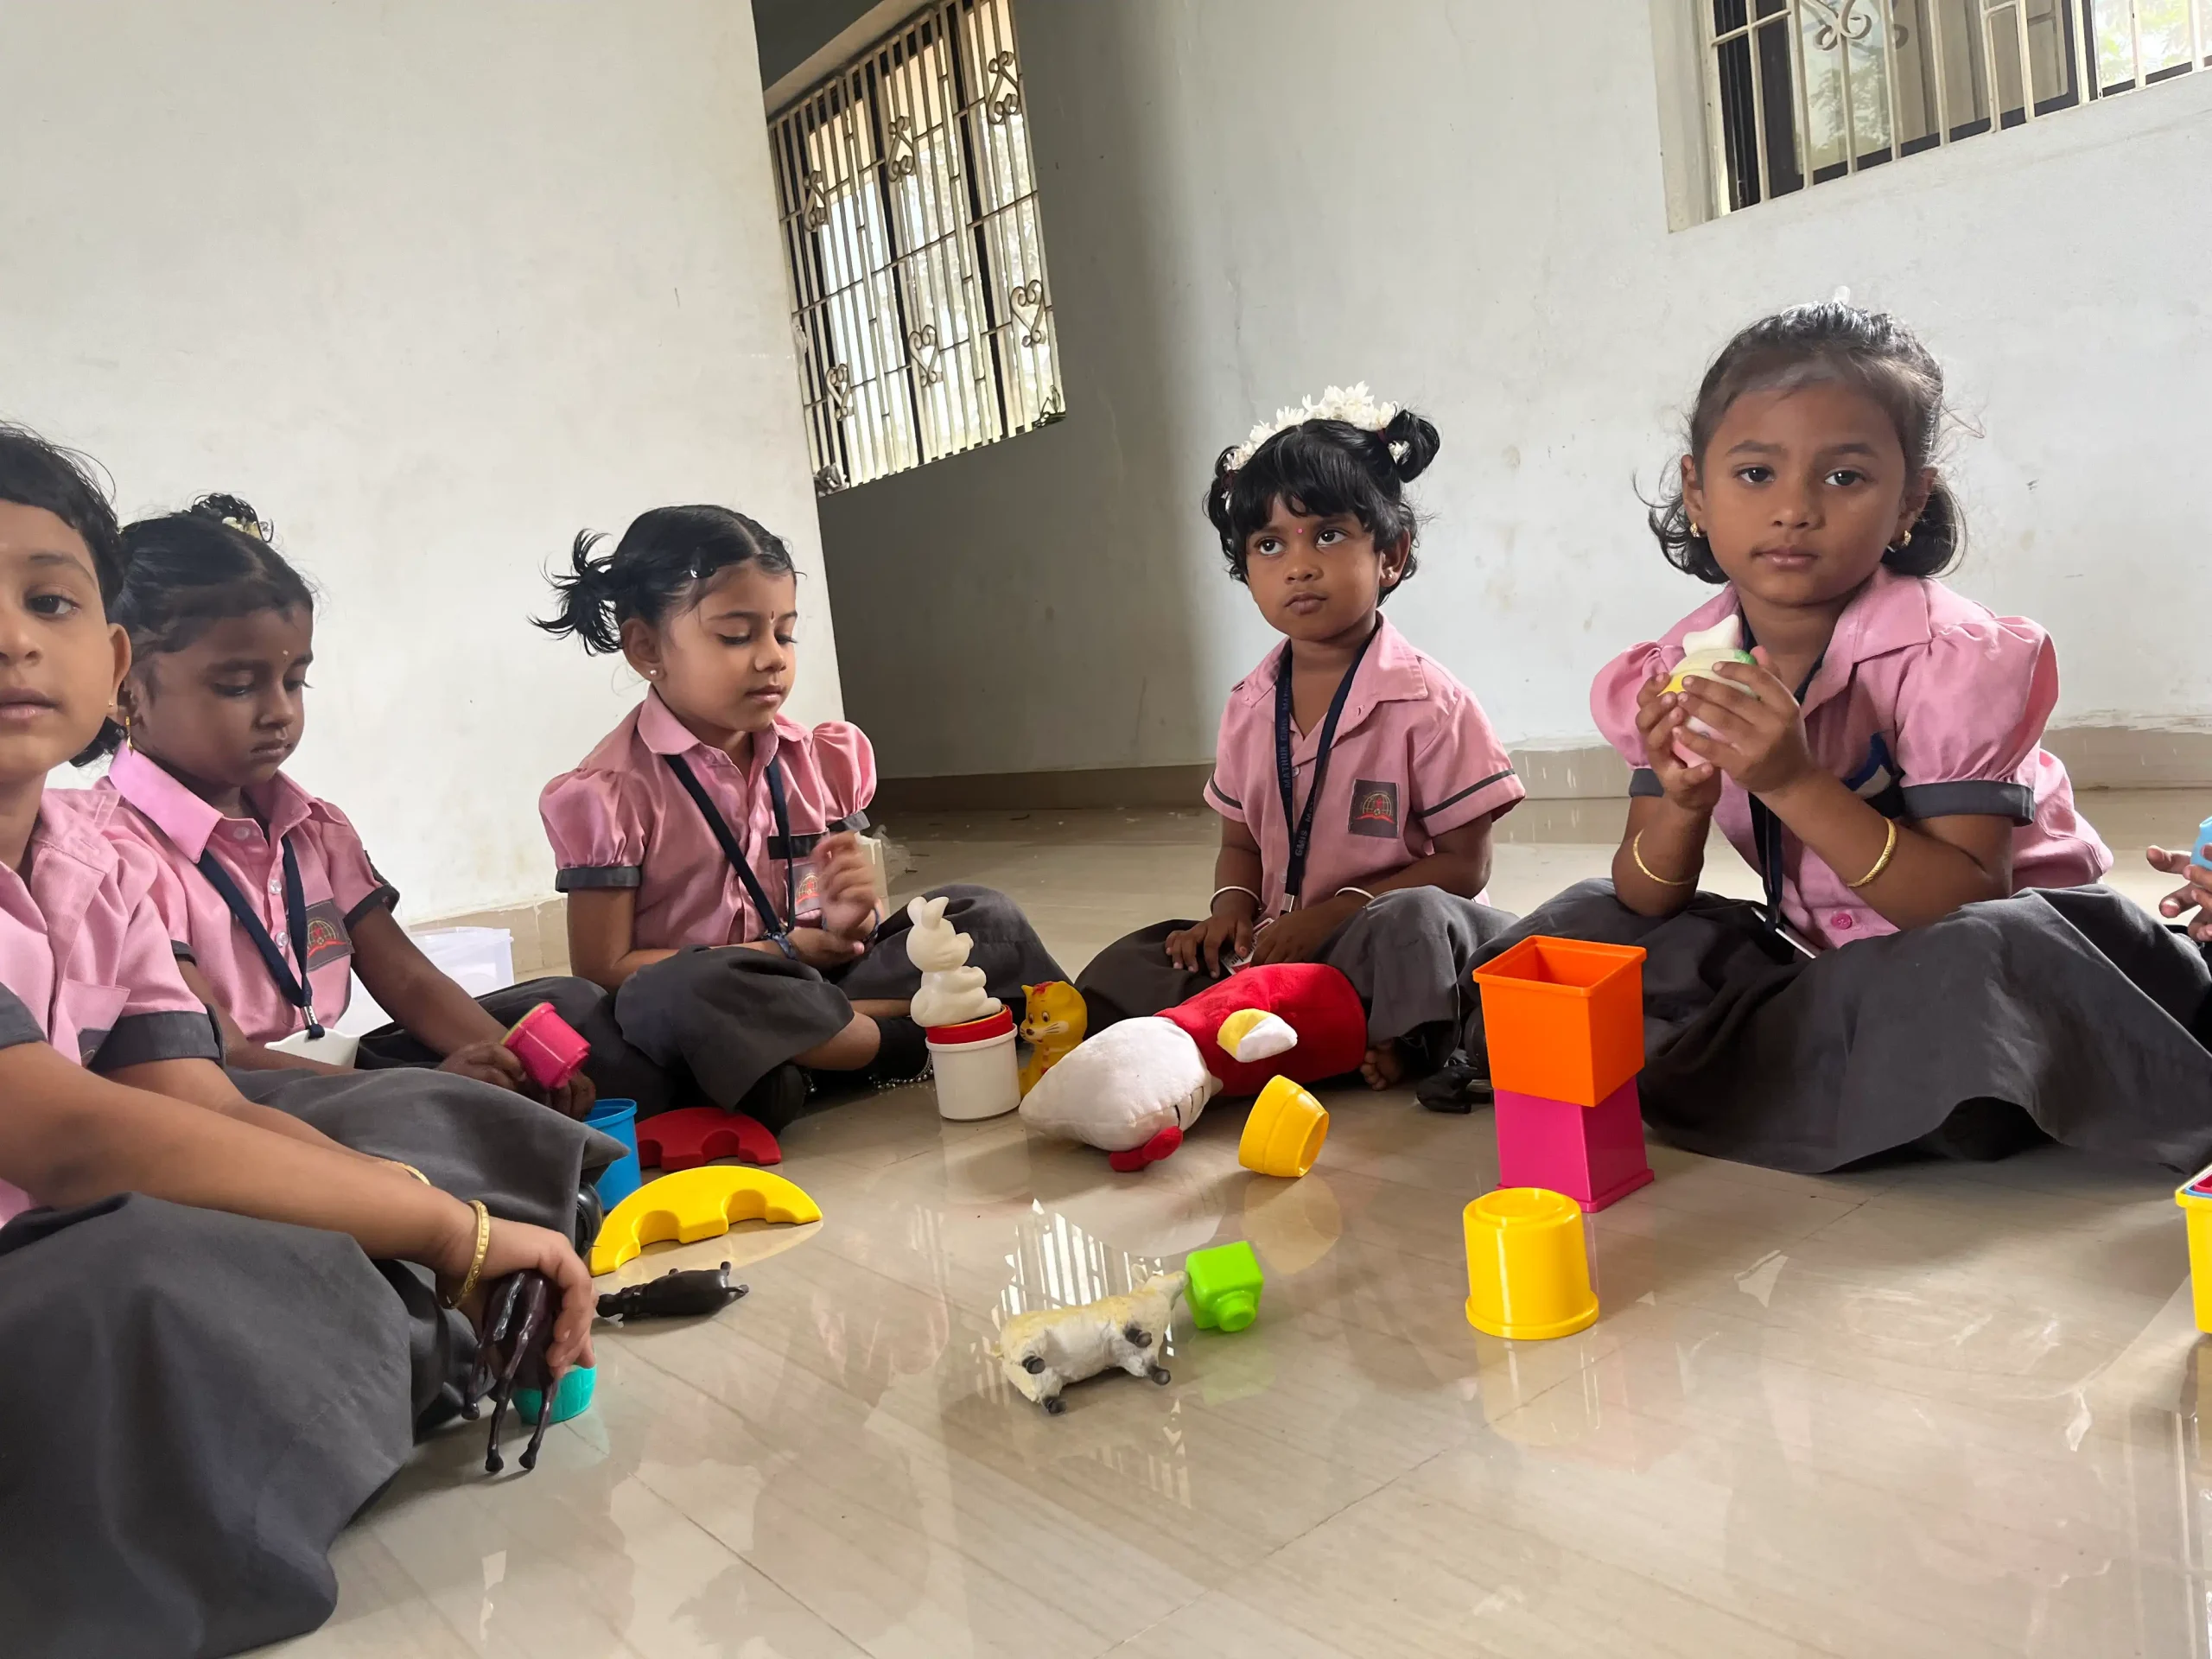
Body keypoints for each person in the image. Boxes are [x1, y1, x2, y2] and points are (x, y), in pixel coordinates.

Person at [0, 421, 603, 1654]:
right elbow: (66, 1137)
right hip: (61, 1265)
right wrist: (446, 1232)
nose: (10, 638)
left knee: (352, 1169)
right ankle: (371, 1363)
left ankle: (356, 1367)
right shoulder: (124, 844)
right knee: (150, 1278)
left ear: (108, 660)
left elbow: (200, 1103)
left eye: (47, 600)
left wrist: (408, 1206)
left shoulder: (82, 872)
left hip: (85, 1223)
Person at [1447, 302, 2212, 1172]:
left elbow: (1965, 901)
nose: (1794, 510)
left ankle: (1838, 1077)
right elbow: (1648, 893)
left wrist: (1792, 783)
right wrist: (1682, 806)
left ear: (1909, 501)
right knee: (1590, 922)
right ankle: (1863, 1079)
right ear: (1697, 492)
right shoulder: (1682, 665)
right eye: (1755, 474)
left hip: (2018, 954)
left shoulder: (1950, 657)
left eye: (1844, 477)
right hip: (1846, 963)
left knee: (1971, 967)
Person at [83, 495, 667, 1116]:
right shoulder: (113, 856)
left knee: (572, 1007)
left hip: (332, 1079)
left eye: (294, 681)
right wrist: (429, 1086)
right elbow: (223, 1057)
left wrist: (513, 1060)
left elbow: (410, 980)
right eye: (237, 686)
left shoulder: (315, 830)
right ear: (124, 691)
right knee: (430, 1111)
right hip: (226, 1103)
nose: (279, 711)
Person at [536, 505, 1065, 1124]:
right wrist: (782, 951)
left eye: (784, 634)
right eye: (736, 636)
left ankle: (815, 1052)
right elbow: (604, 970)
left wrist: (852, 919)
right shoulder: (611, 792)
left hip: (817, 987)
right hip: (718, 998)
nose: (772, 658)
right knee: (670, 991)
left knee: (980, 914)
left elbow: (846, 920)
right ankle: (902, 1037)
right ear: (646, 647)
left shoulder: (814, 757)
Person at [1073, 386, 1525, 1090]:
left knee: (1416, 922)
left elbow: (1466, 866)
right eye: (1270, 544)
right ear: (1247, 570)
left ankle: (1399, 1037)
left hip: (1380, 942)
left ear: (1392, 554)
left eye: (1328, 535)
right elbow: (1240, 846)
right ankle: (1308, 1029)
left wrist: (1337, 914)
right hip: (1281, 944)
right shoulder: (1248, 706)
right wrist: (1230, 912)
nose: (1299, 564)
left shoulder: (1431, 703)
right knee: (1129, 965)